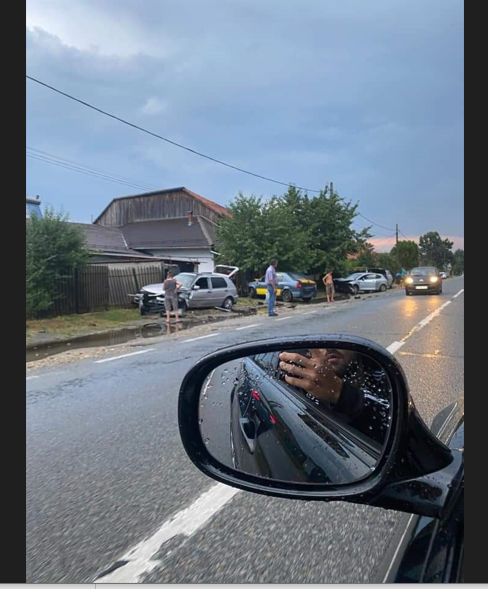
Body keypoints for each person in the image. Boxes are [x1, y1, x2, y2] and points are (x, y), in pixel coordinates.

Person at [278, 348, 391, 444]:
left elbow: (391, 423)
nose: (328, 348)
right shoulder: (301, 384)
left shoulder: (381, 375)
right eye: (318, 342)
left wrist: (340, 392)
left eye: (339, 336)